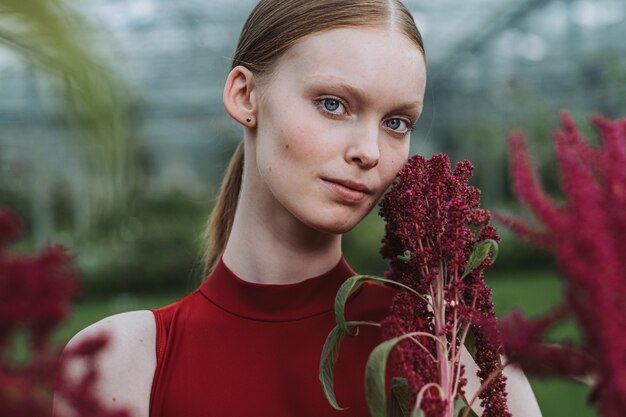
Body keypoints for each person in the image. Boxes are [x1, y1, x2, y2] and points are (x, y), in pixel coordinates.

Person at [55, 1, 542, 416]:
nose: (369, 150)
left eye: (396, 122)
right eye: (333, 104)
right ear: (245, 96)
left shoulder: (455, 358)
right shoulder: (121, 362)